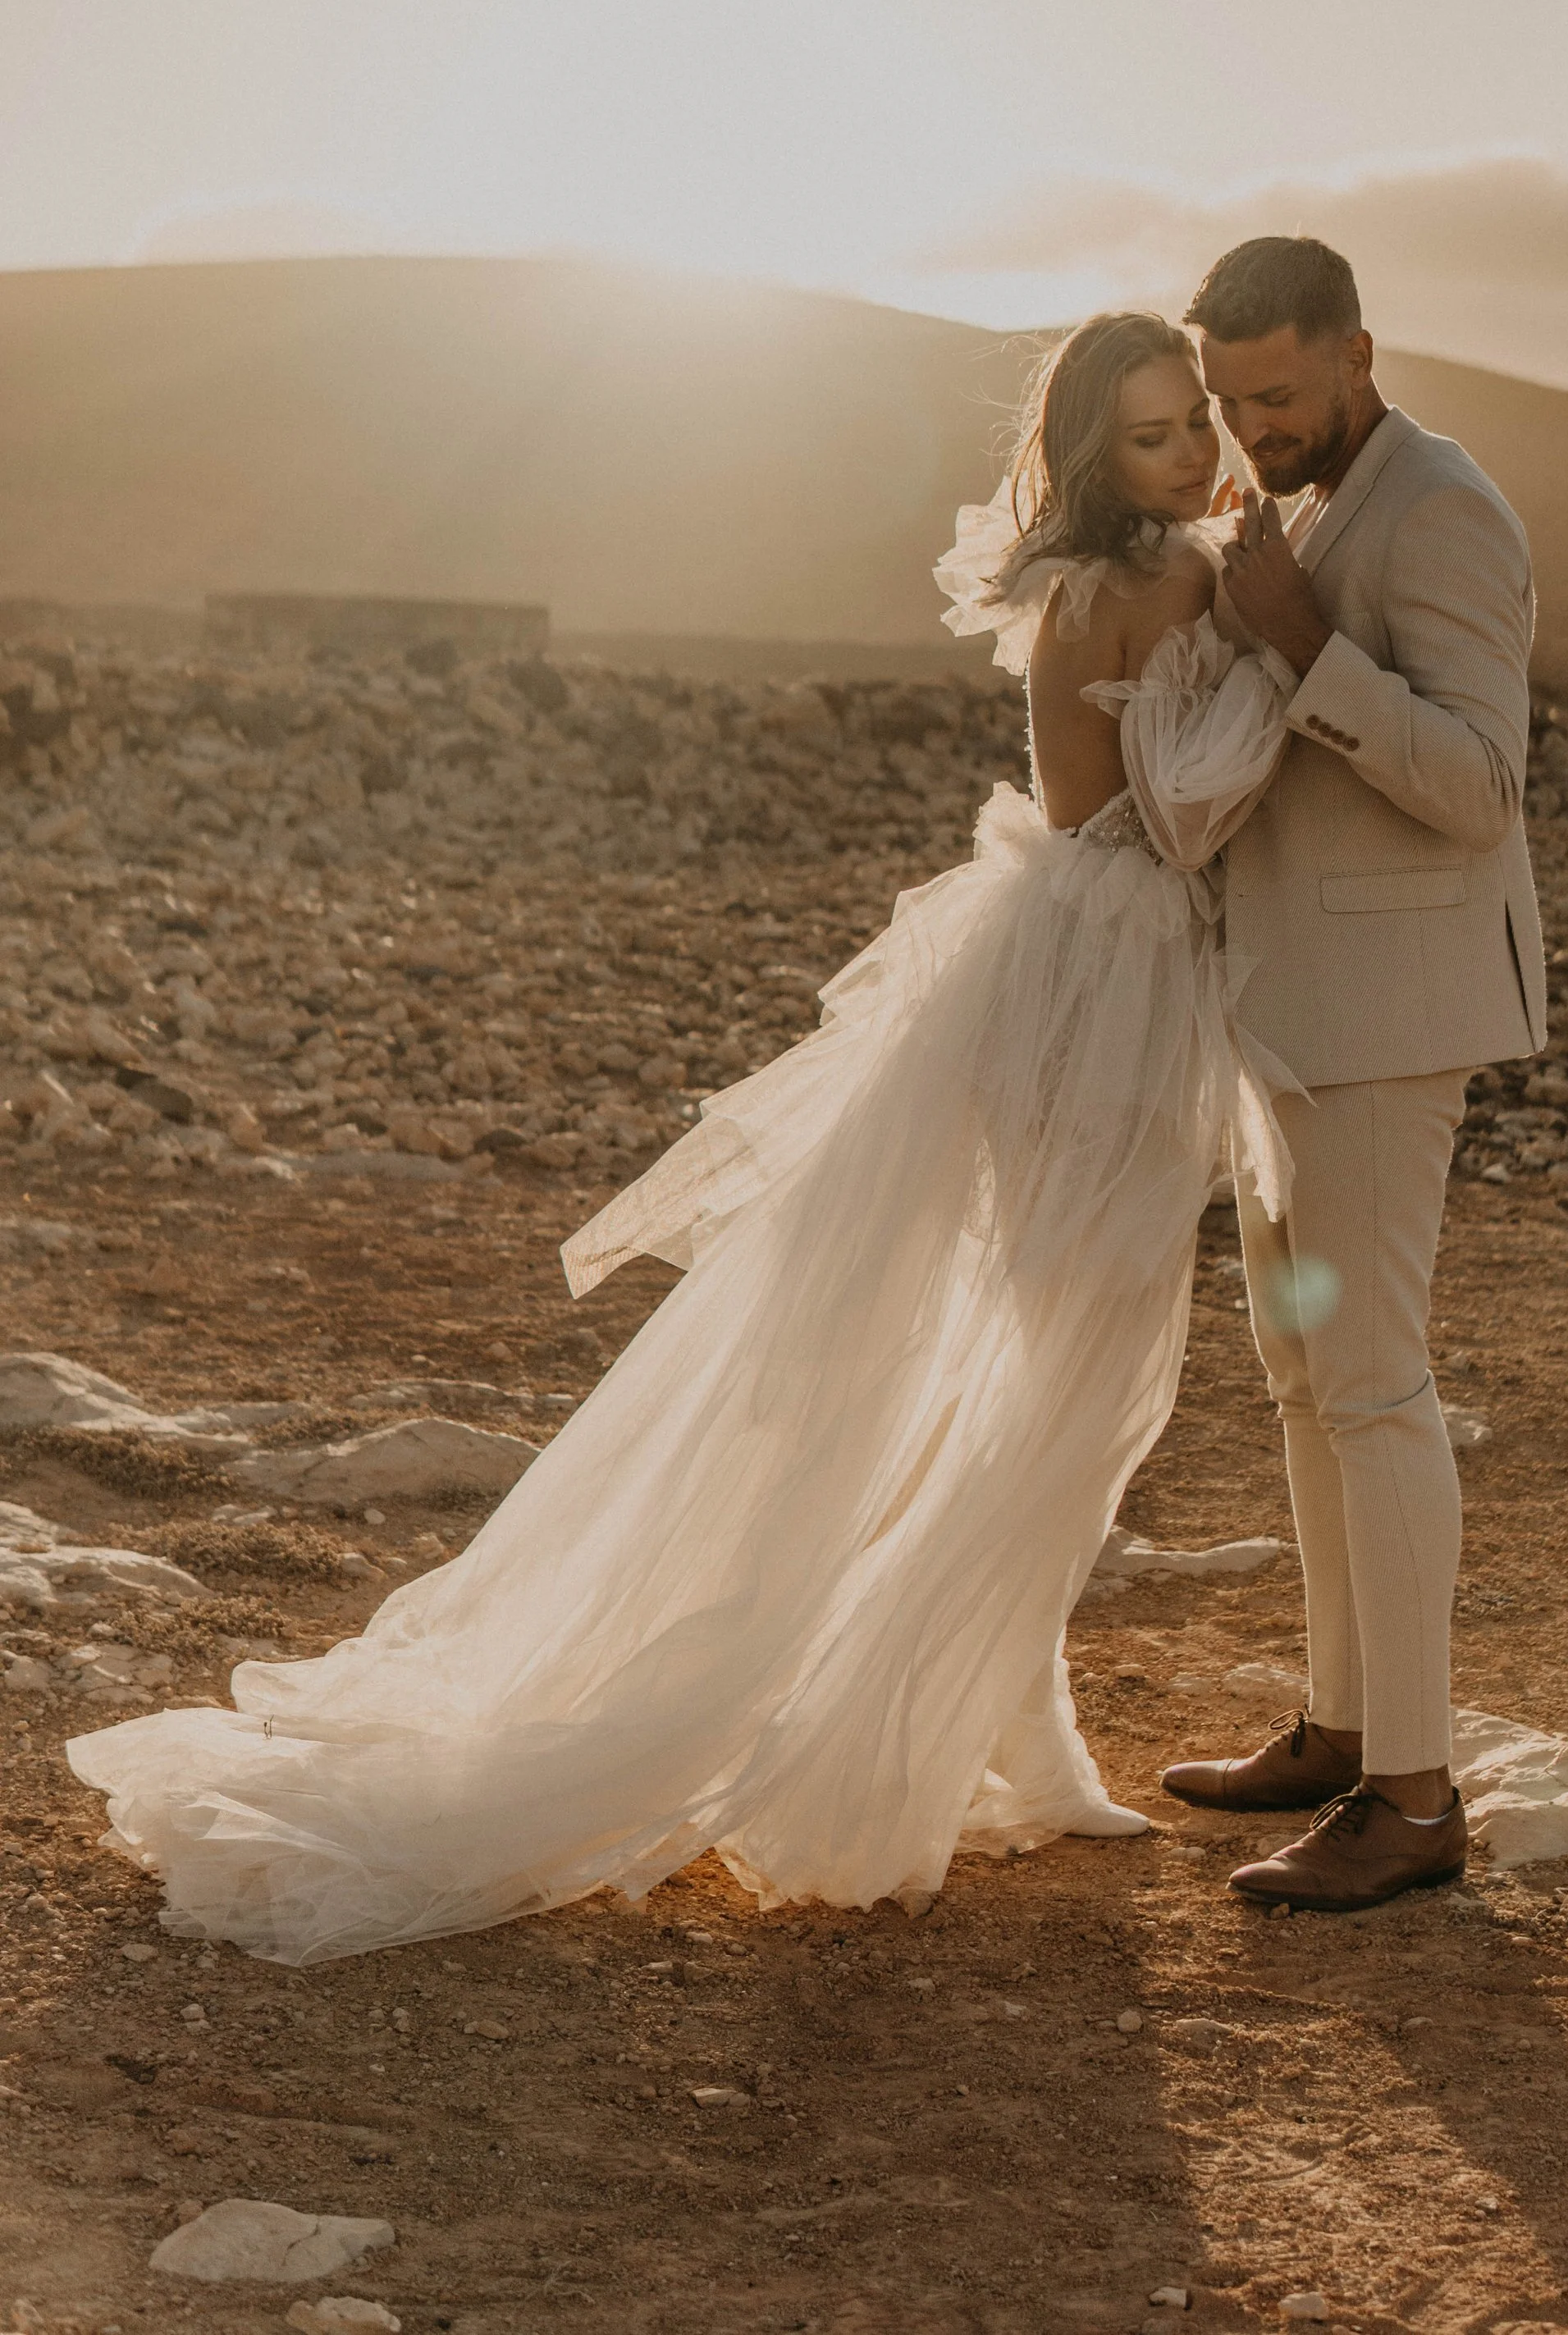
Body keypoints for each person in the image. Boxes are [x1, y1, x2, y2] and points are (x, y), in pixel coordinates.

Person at [66, 311, 1301, 1967]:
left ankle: (1016, 1726)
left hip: (1126, 976)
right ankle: (957, 1732)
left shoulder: (1186, 567)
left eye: (1195, 422)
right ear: (1093, 453)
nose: (1191, 455)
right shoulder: (1107, 591)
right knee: (1056, 1373)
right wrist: (1261, 691)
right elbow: (1113, 816)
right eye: (1152, 435)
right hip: (1090, 979)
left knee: (1069, 1385)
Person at [1160, 234, 1545, 1914]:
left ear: (1357, 353)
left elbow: (1479, 782)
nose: (1253, 430)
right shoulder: (1297, 508)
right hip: (1284, 1015)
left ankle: (1414, 1794)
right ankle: (1338, 1727)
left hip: (1390, 1018)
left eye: (1279, 394)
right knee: (1304, 1381)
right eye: (1230, 400)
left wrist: (1305, 646)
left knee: (1374, 1386)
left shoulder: (1443, 507)